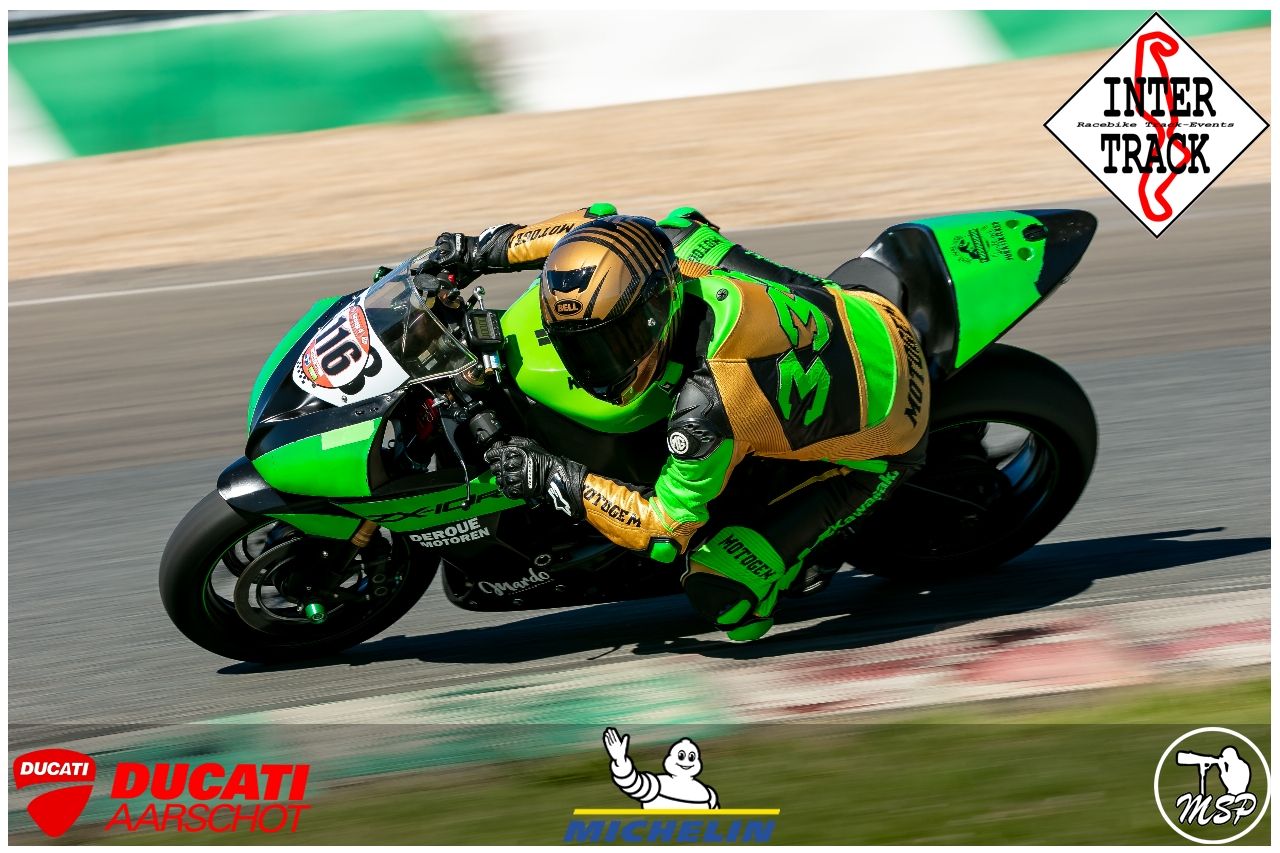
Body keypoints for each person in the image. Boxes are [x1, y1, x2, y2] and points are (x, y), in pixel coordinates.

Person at [433, 204, 928, 641]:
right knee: (678, 231)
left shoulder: (705, 410)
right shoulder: (657, 257)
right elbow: (594, 227)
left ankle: (786, 566)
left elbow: (666, 528)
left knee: (723, 594)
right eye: (580, 346)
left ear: (656, 313)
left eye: (614, 344)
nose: (591, 367)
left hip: (891, 432)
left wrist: (551, 476)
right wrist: (477, 252)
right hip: (859, 306)